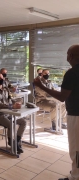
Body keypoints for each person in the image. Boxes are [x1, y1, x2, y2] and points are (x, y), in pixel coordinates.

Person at [34, 45, 79, 180]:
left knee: (76, 148)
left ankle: (76, 176)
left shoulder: (72, 73)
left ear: (70, 56)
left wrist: (40, 86)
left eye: (67, 54)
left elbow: (62, 96)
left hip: (77, 115)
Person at [0, 72, 26, 154]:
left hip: (8, 113)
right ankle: (11, 143)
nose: (2, 80)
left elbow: (11, 99)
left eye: (3, 78)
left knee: (23, 122)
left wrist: (17, 102)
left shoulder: (6, 89)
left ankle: (16, 141)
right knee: (11, 125)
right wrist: (11, 107)